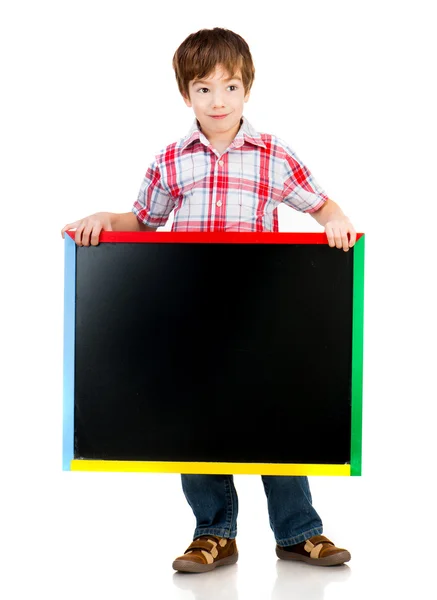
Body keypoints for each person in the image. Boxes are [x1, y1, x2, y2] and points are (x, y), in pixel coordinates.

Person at [61, 27, 356, 573]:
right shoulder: (171, 160)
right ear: (185, 94)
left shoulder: (272, 154)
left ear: (247, 90)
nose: (217, 101)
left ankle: (298, 531)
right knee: (196, 422)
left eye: (230, 87)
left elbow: (321, 204)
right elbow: (143, 222)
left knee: (275, 418)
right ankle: (214, 533)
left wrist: (336, 221)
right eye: (203, 89)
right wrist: (105, 218)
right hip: (193, 320)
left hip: (257, 318)